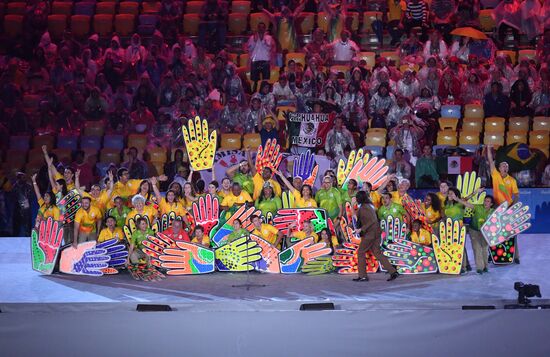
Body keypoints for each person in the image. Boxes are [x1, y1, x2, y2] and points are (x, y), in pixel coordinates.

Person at [354, 191, 399, 282]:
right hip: (376, 232)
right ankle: (392, 271)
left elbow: (372, 220)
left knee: (361, 252)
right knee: (377, 252)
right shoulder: (369, 206)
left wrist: (361, 229)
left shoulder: (364, 208)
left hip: (370, 234)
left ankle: (362, 276)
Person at [487, 144, 519, 263]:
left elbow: (516, 195)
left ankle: (515, 256)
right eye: (502, 165)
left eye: (506, 166)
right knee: (494, 232)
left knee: (511, 232)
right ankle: (492, 254)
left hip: (508, 208)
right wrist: (488, 149)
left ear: (507, 169)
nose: (504, 167)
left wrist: (512, 206)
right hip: (496, 207)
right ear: (499, 168)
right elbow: (490, 161)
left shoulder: (512, 180)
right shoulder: (495, 175)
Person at [468, 195, 495, 274]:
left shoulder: (493, 212)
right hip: (474, 230)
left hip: (485, 233)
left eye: (488, 201)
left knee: (484, 249)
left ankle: (485, 267)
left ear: (491, 204)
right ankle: (479, 267)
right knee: (477, 249)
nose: (485, 202)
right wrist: (457, 199)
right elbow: (467, 204)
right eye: (485, 200)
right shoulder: (478, 207)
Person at [247, 22, 275, 92]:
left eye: (263, 27)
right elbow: (250, 49)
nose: (261, 29)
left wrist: (262, 39)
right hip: (255, 60)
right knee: (254, 80)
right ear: (257, 28)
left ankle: (266, 93)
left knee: (265, 80)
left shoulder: (269, 37)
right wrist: (254, 40)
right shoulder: (252, 37)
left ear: (265, 29)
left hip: (265, 61)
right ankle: (254, 93)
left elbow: (268, 48)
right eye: (259, 27)